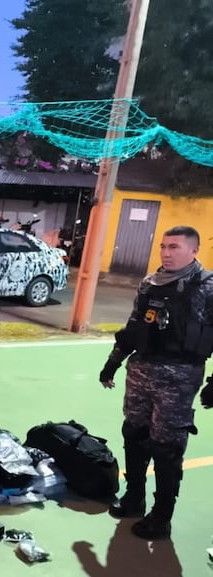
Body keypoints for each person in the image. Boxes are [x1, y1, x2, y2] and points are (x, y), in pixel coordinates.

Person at [99, 225, 213, 540]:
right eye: (163, 246)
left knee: (166, 448)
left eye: (174, 247)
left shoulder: (208, 286)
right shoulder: (150, 284)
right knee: (133, 434)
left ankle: (161, 517)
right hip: (141, 371)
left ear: (194, 250)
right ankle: (134, 498)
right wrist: (114, 360)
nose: (166, 252)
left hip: (179, 377)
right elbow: (134, 325)